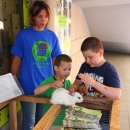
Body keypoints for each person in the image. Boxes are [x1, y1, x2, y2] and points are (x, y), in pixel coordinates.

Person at [10, 1, 62, 130]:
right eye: (40, 16)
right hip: (28, 84)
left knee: (42, 118)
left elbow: (56, 59)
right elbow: (16, 60)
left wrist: (60, 78)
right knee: (29, 120)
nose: (44, 20)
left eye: (46, 16)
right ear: (32, 17)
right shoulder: (23, 35)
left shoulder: (52, 36)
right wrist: (13, 80)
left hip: (47, 84)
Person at [68, 36, 121, 130]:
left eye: (90, 57)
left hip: (102, 117)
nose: (87, 61)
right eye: (85, 57)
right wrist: (74, 87)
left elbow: (116, 94)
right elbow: (78, 81)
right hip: (84, 112)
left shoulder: (109, 70)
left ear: (100, 53)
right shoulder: (85, 66)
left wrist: (94, 83)